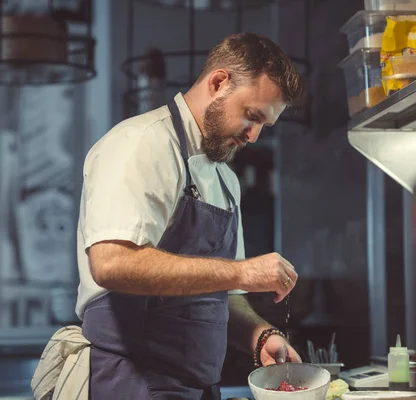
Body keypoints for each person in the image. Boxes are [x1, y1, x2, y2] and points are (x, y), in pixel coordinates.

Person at [77, 33, 305, 399]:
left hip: (198, 387)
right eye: (252, 116)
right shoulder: (141, 143)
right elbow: (110, 263)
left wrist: (259, 334)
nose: (254, 136)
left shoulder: (226, 178)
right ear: (218, 83)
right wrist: (244, 271)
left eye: (265, 125)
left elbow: (219, 293)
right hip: (132, 382)